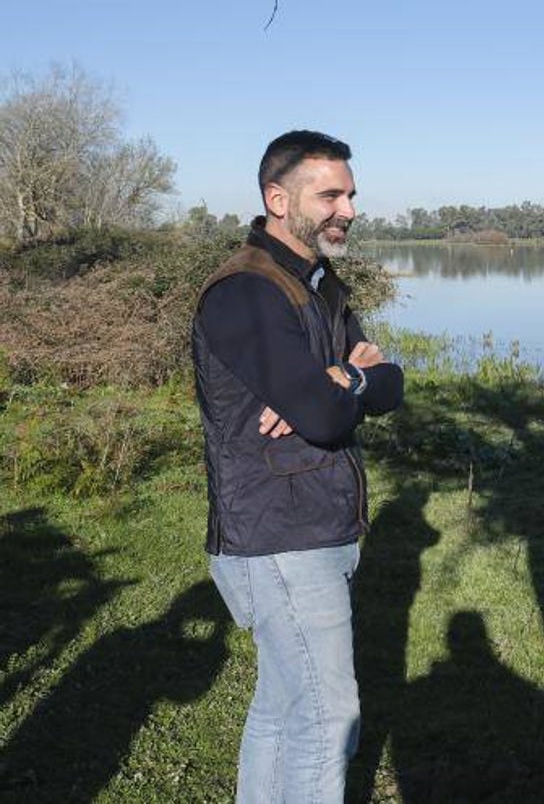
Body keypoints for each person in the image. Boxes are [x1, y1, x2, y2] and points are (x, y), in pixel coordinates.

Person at [192, 129, 404, 802]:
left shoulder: (317, 283)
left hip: (315, 525)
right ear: (277, 199)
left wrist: (340, 378)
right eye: (331, 194)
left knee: (285, 706)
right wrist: (332, 390)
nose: (349, 209)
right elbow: (321, 416)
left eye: (351, 194)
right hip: (279, 538)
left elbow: (389, 383)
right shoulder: (247, 293)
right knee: (324, 714)